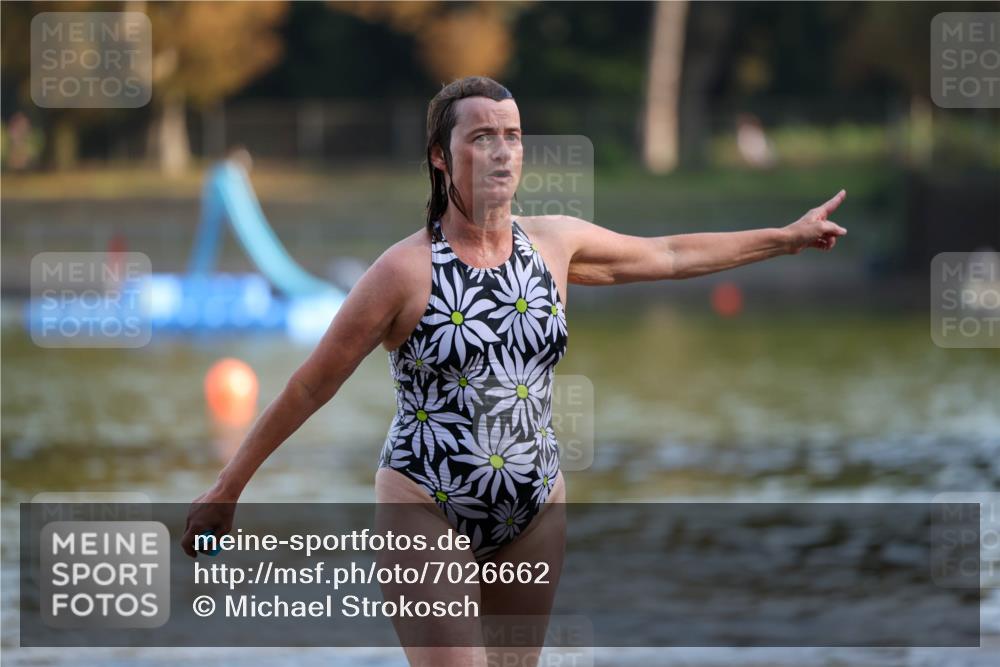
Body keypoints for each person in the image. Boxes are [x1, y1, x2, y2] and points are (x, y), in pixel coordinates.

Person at [182, 75, 848, 666]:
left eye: (513, 136)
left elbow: (670, 254)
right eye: (482, 137)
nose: (502, 151)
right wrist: (227, 486)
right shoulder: (403, 271)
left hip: (535, 507)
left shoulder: (554, 244)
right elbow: (311, 384)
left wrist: (785, 238)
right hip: (426, 502)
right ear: (441, 156)